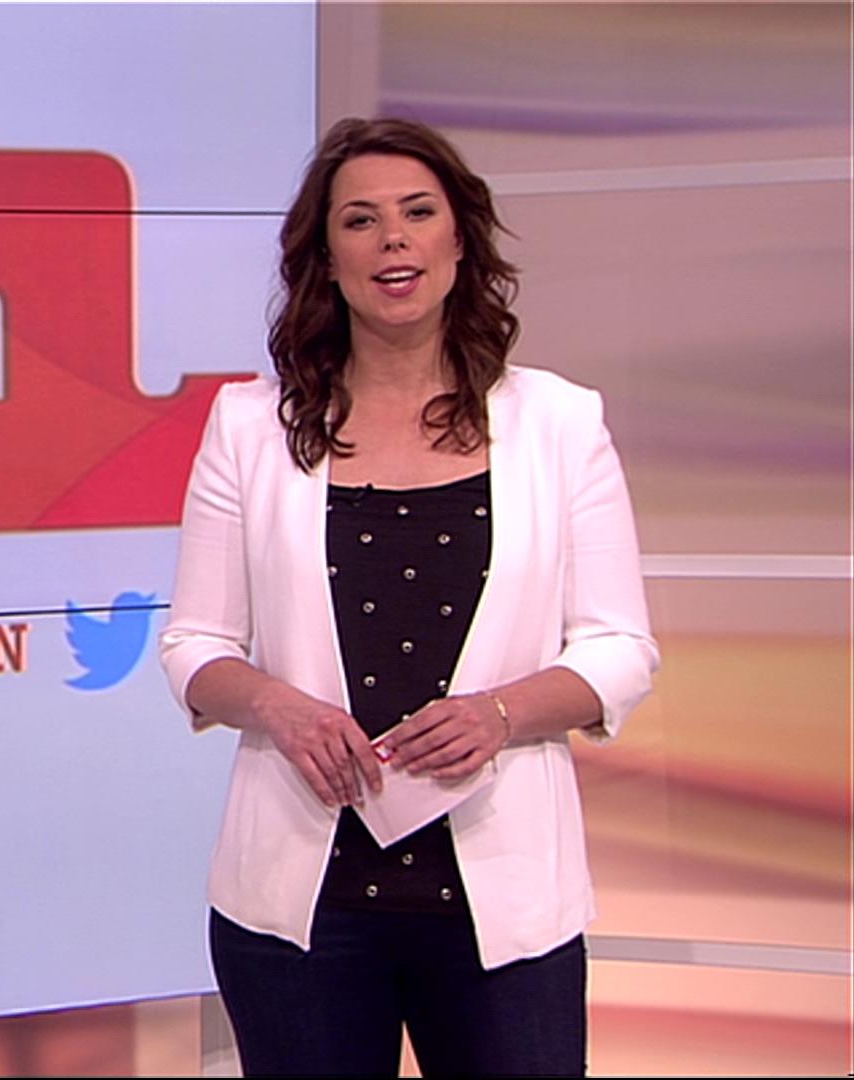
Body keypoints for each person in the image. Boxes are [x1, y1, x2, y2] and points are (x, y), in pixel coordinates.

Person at [159, 116, 658, 1077]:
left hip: (502, 908)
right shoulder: (249, 425)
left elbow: (618, 647)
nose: (393, 238)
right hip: (300, 911)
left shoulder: (558, 423)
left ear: (459, 241)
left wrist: (500, 714)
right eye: (361, 220)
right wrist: (278, 707)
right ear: (326, 259)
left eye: (418, 213)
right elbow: (196, 644)